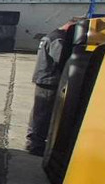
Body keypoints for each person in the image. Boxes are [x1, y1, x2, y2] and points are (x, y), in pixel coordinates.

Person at [27, 22, 75, 155]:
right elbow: (61, 59)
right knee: (43, 113)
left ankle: (34, 141)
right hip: (49, 80)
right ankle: (35, 144)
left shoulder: (52, 35)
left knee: (39, 111)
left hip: (45, 78)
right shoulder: (58, 39)